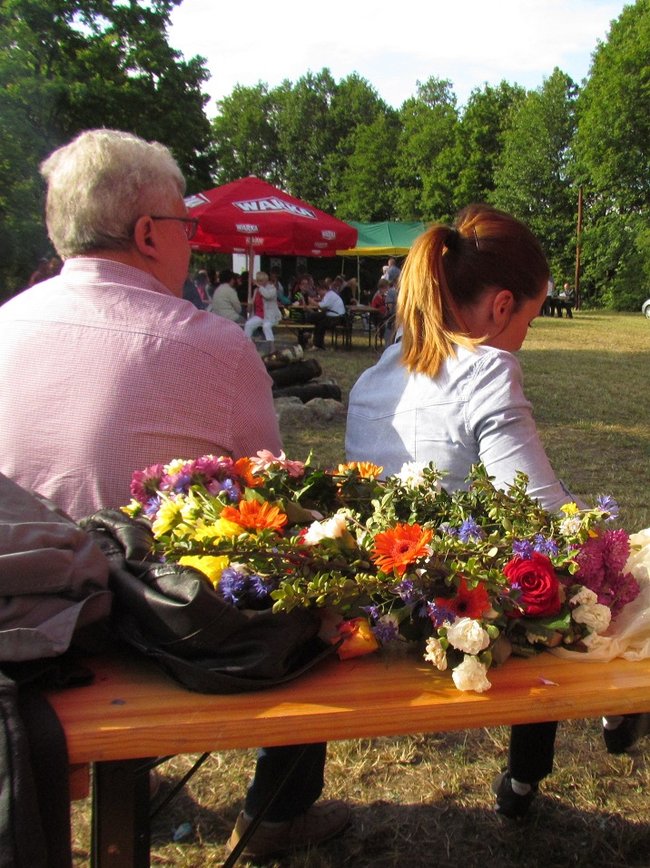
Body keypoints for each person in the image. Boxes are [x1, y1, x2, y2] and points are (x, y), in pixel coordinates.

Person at [0, 128, 349, 861]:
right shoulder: (212, 347)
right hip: (138, 635)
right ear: (149, 233)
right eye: (187, 228)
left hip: (15, 627)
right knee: (319, 576)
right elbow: (270, 508)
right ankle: (278, 815)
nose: (192, 244)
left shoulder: (4, 324)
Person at [346, 203, 642, 819]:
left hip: (390, 601)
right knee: (578, 577)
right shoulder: (486, 370)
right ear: (502, 306)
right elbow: (549, 522)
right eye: (529, 321)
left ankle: (528, 777)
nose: (523, 338)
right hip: (457, 614)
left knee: (540, 577)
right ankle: (611, 719)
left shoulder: (374, 377)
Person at [304, 278, 347, 350]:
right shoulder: (330, 295)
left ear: (323, 289)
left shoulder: (329, 295)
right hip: (334, 316)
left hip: (335, 318)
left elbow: (320, 306)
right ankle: (317, 344)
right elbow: (323, 308)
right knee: (319, 322)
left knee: (314, 317)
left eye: (319, 291)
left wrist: (311, 301)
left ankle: (307, 331)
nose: (318, 293)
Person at [243, 271, 283, 347]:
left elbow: (267, 295)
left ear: (266, 280)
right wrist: (250, 304)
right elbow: (252, 304)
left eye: (261, 281)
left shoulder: (272, 289)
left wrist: (259, 287)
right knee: (248, 324)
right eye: (258, 281)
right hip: (259, 315)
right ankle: (247, 345)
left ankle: (271, 347)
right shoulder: (255, 291)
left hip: (271, 316)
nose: (260, 283)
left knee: (266, 326)